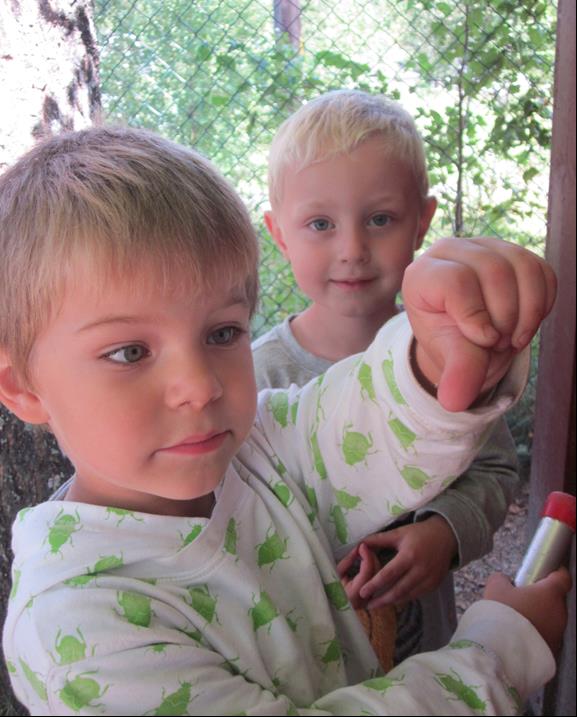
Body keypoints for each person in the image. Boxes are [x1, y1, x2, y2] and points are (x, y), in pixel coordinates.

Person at [0, 125, 568, 717]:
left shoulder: (258, 449)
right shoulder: (77, 630)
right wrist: (498, 657)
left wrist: (440, 357)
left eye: (222, 333)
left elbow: (367, 421)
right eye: (129, 352)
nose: (201, 385)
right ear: (23, 388)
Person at [253, 89, 521, 664]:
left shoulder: (448, 357)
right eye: (320, 223)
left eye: (380, 219)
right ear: (279, 234)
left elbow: (497, 466)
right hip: (301, 656)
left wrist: (445, 533)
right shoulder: (257, 374)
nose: (352, 249)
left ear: (421, 222)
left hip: (427, 645)